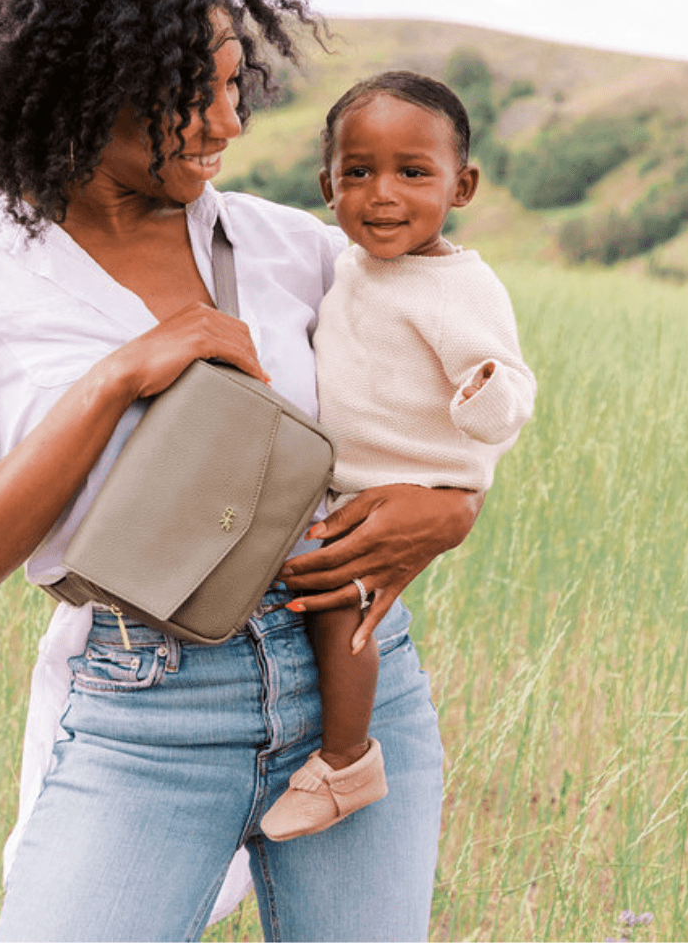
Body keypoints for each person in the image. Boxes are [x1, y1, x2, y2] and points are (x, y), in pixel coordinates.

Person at [0, 0, 483, 943]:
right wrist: (118, 378)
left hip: (356, 686)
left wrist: (453, 510)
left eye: (235, 83)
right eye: (191, 92)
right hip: (146, 710)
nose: (229, 121)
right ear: (83, 86)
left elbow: (443, 387)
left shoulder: (295, 251)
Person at [259, 72, 537, 843]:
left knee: (339, 607)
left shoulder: (459, 286)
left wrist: (482, 392)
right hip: (352, 476)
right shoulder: (354, 263)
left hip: (403, 481)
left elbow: (511, 388)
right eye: (358, 172)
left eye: (413, 173)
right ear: (328, 187)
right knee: (324, 594)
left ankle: (346, 762)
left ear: (461, 186)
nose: (382, 195)